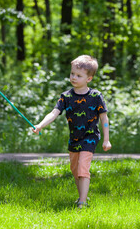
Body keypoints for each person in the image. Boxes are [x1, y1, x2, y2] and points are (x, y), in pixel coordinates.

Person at [32, 55, 112, 208]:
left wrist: (106, 139)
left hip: (90, 137)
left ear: (89, 79)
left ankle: (82, 202)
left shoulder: (95, 96)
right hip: (74, 138)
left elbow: (104, 118)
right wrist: (40, 125)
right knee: (75, 171)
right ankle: (81, 197)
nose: (74, 77)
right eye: (72, 74)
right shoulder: (66, 97)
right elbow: (54, 113)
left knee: (83, 168)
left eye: (79, 75)